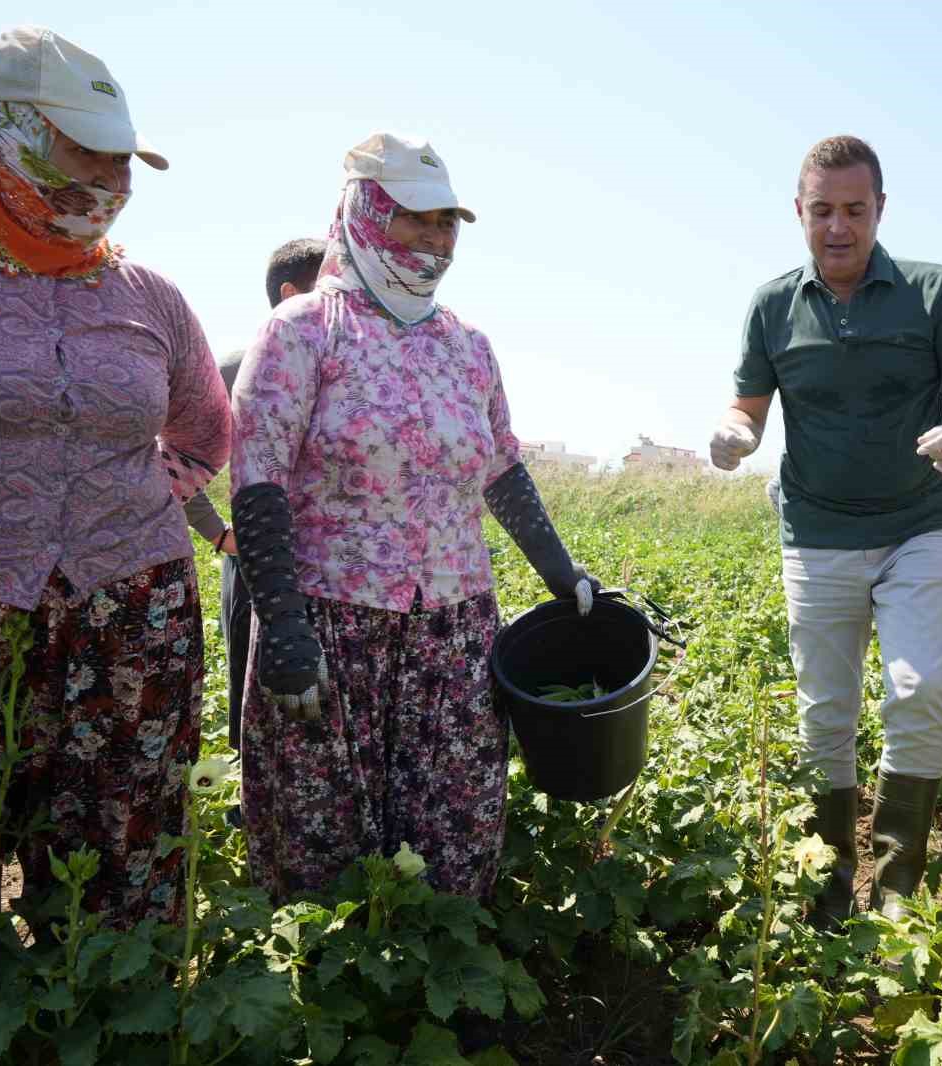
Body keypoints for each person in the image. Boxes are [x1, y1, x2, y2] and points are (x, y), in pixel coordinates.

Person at [0, 26, 230, 997]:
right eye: (87, 150)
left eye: (124, 160)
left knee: (122, 850)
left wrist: (144, 500)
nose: (111, 178)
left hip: (129, 610)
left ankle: (116, 1023)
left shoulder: (149, 297)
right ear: (4, 133)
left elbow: (204, 426)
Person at [230, 132, 598, 901]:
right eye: (417, 219)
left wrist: (562, 575)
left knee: (454, 824)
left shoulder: (466, 347)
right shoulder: (303, 332)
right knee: (322, 836)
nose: (436, 240)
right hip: (333, 625)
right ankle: (329, 1009)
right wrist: (285, 628)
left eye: (448, 224)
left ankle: (444, 990)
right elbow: (257, 476)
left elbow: (499, 469)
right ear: (366, 213)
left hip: (456, 629)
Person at [709, 135, 942, 923]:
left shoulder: (931, 290)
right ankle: (826, 889)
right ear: (799, 212)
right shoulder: (774, 304)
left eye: (855, 210)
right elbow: (748, 404)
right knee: (824, 710)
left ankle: (899, 890)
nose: (838, 227)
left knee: (920, 689)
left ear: (880, 209)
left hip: (917, 526)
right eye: (822, 211)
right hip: (815, 535)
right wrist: (736, 432)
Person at [182, 237, 324, 754]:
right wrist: (218, 534)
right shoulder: (237, 369)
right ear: (289, 293)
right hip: (254, 564)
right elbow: (176, 458)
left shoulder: (356, 367)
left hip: (331, 568)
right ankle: (252, 806)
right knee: (257, 684)